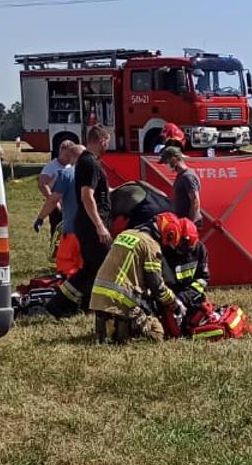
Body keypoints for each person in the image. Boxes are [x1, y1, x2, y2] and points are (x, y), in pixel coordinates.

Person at [90, 212, 186, 343]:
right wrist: (174, 303)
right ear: (169, 233)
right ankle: (123, 333)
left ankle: (110, 330)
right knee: (157, 334)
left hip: (98, 300)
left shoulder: (126, 233)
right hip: (119, 301)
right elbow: (156, 286)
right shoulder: (151, 245)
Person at [56, 126, 113, 314]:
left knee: (91, 268)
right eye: (108, 142)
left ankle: (67, 305)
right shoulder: (90, 163)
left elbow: (96, 192)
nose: (108, 146)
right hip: (91, 225)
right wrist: (100, 226)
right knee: (106, 264)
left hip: (87, 224)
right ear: (102, 140)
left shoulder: (87, 162)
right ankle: (77, 304)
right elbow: (87, 196)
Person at [32, 141, 83, 277]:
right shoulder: (96, 172)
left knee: (67, 266)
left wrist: (40, 217)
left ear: (72, 156)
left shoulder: (66, 174)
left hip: (71, 227)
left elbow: (53, 200)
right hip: (89, 228)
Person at [161, 147, 202, 226]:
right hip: (182, 221)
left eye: (166, 162)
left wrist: (189, 224)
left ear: (174, 160)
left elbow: (195, 201)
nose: (166, 165)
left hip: (188, 224)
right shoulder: (181, 175)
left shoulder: (188, 176)